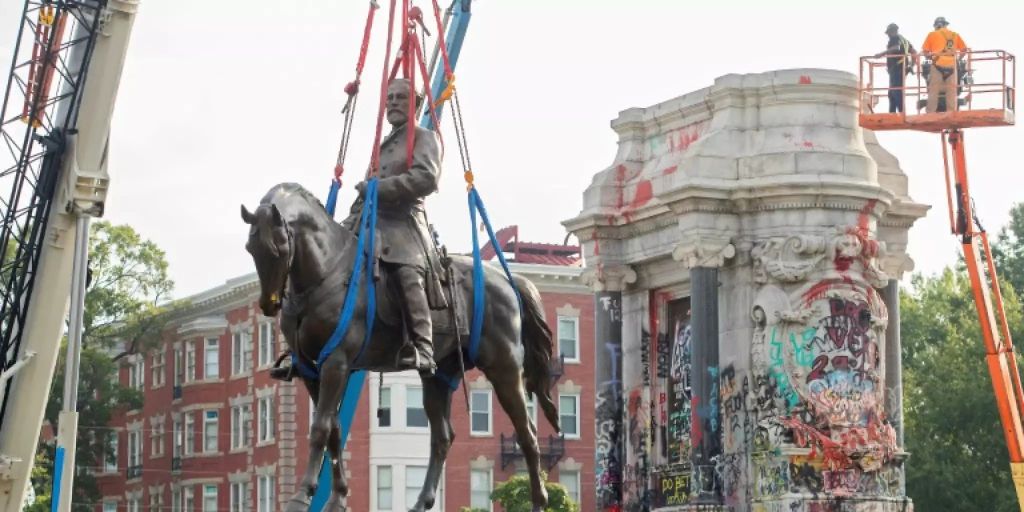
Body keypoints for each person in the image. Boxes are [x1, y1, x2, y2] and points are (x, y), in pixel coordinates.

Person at [345, 77, 445, 375]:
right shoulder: (383, 144)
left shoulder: (425, 137)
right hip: (371, 222)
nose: (393, 103)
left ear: (416, 103)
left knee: (405, 273)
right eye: (389, 99)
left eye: (401, 97)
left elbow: (426, 179)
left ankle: (423, 346)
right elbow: (367, 191)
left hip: (404, 224)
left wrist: (379, 188)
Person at [921, 16, 967, 113]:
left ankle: (931, 113)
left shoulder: (932, 34)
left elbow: (925, 52)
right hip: (951, 65)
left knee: (934, 90)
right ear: (945, 25)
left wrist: (930, 57)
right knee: (951, 91)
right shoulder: (954, 35)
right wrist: (958, 59)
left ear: (937, 25)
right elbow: (964, 50)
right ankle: (952, 112)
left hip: (937, 65)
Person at [874, 23, 917, 113]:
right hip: (900, 68)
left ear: (892, 31)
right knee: (892, 92)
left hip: (897, 68)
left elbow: (896, 47)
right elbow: (914, 52)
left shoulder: (895, 38)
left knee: (895, 91)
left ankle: (900, 112)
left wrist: (881, 54)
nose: (888, 35)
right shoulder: (904, 40)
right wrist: (911, 65)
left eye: (889, 33)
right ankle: (892, 113)